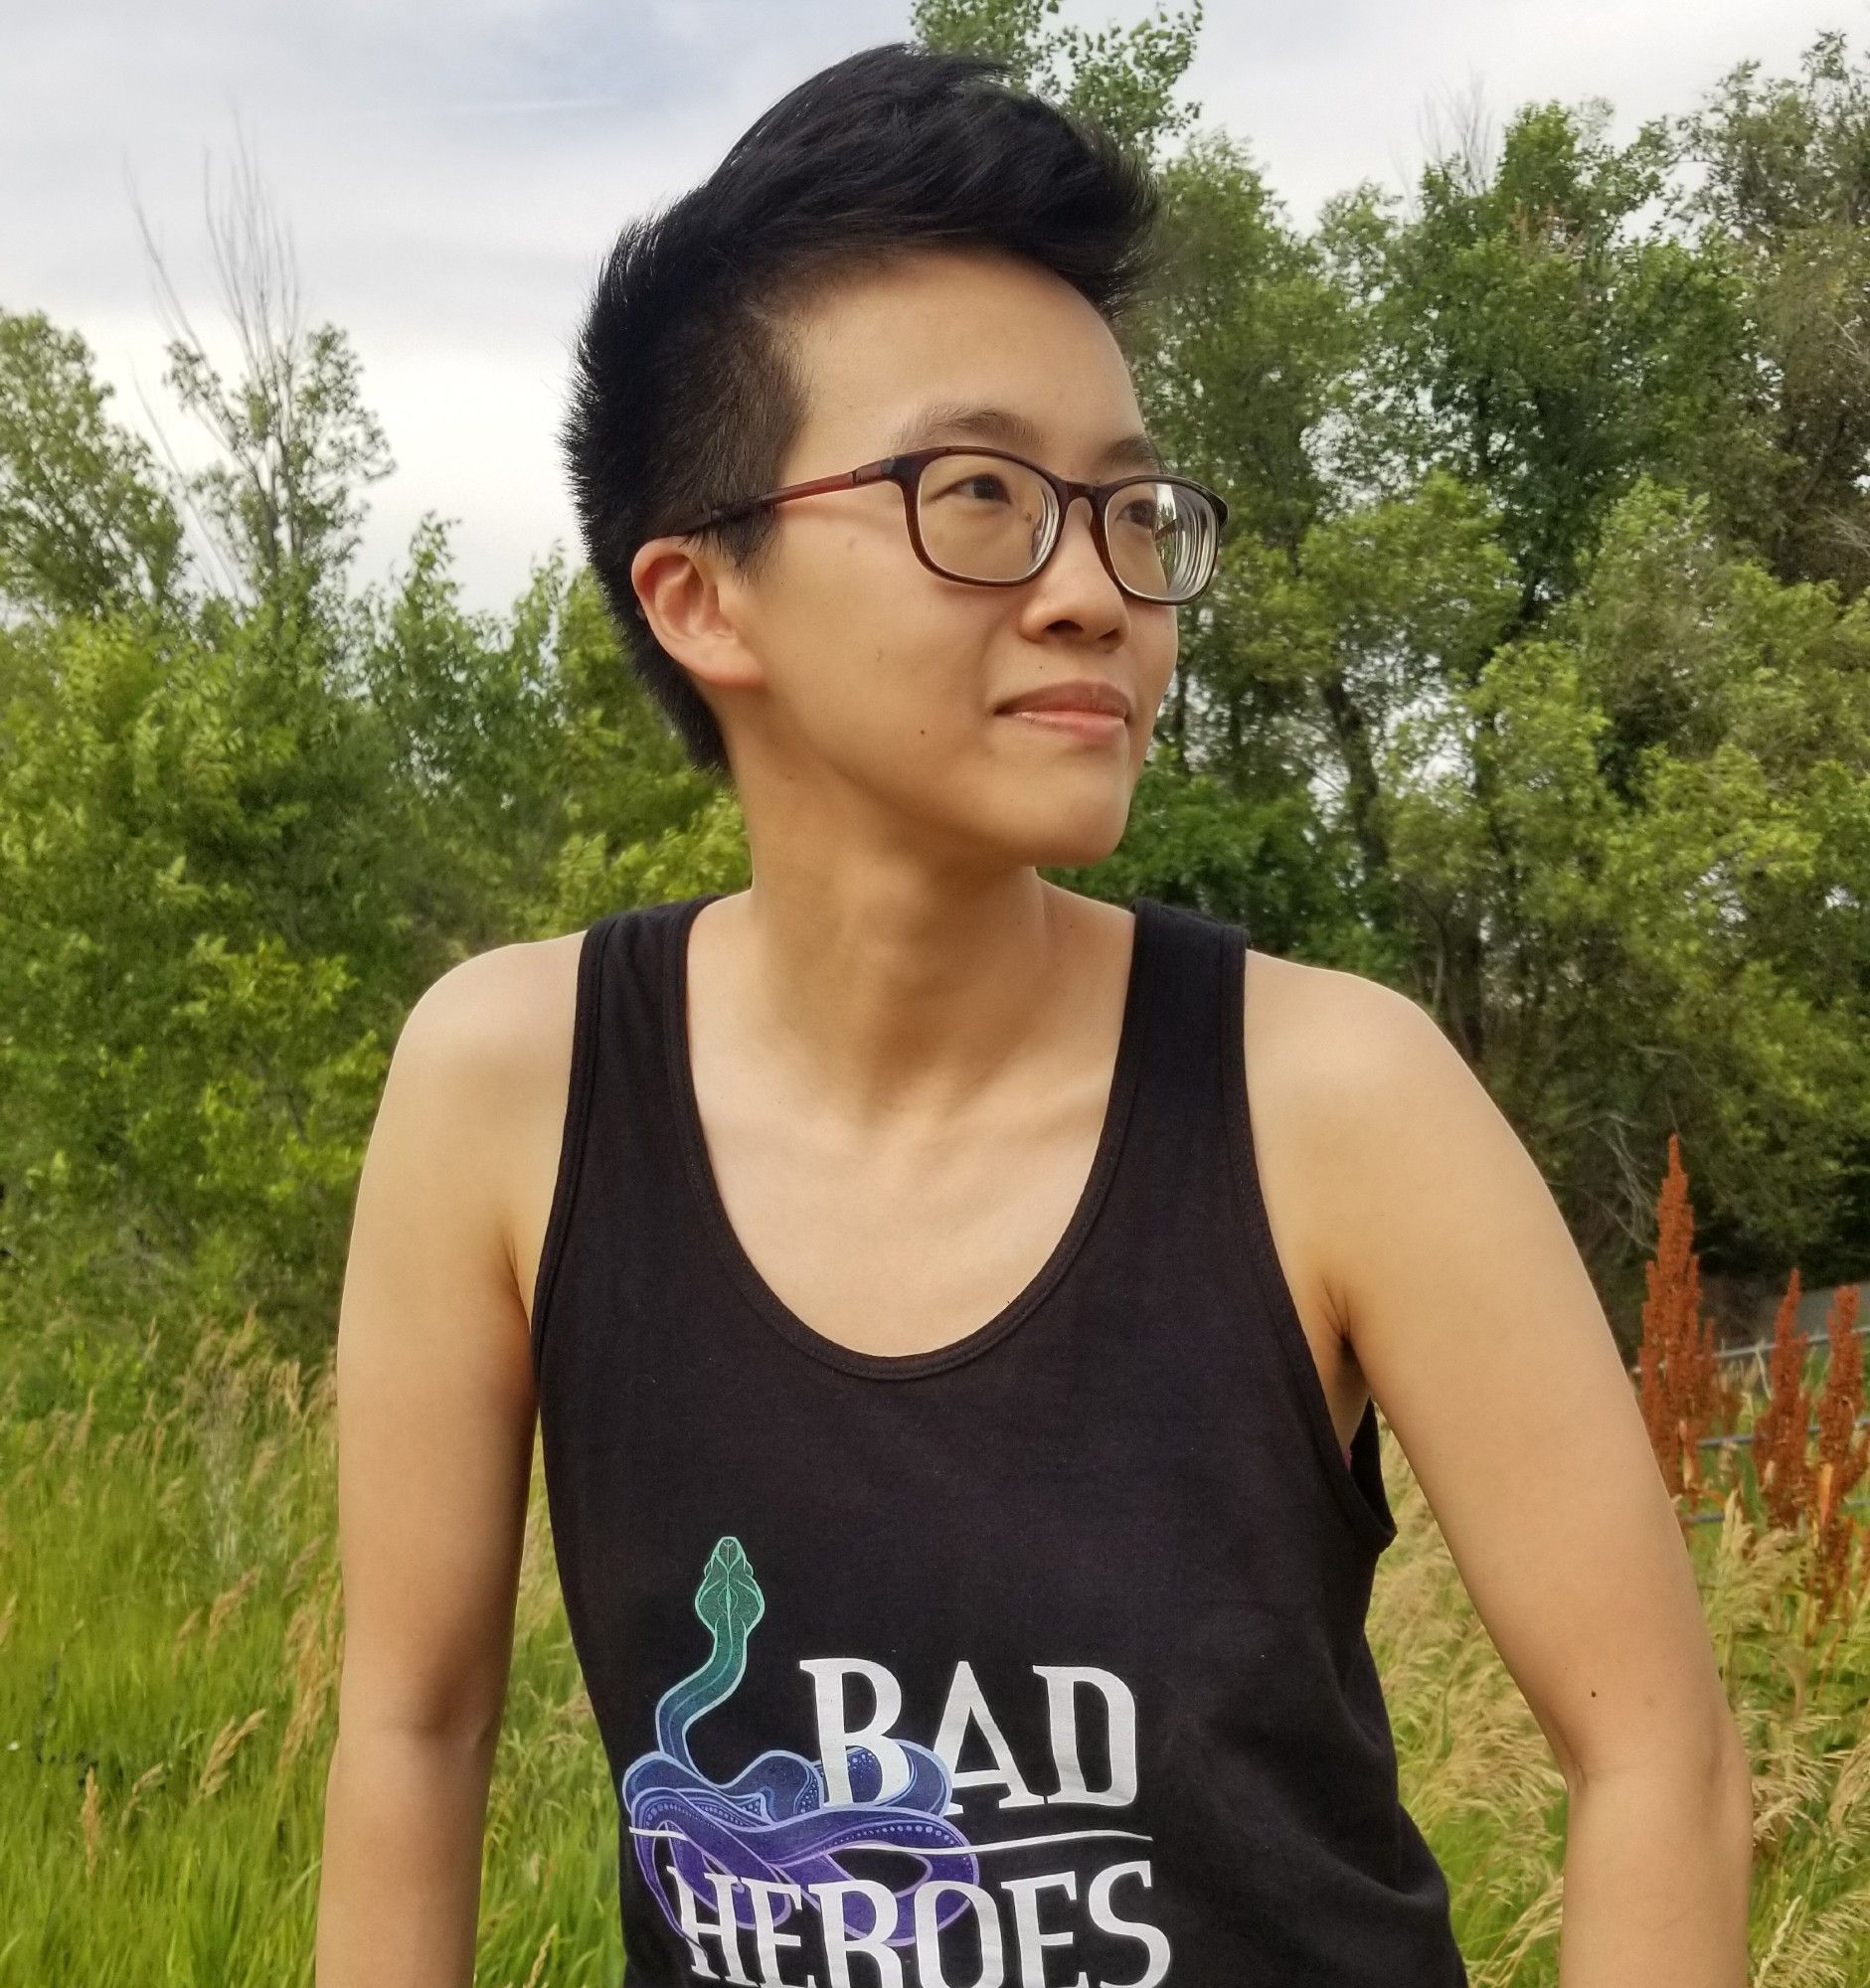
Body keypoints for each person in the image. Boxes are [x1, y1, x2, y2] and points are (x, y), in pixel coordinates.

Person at [314, 39, 1754, 1988]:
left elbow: (1650, 1748)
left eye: (1129, 507)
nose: (1095, 589)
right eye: (976, 492)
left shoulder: (1330, 1101)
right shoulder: (511, 1090)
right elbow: (413, 1735)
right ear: (700, 597)